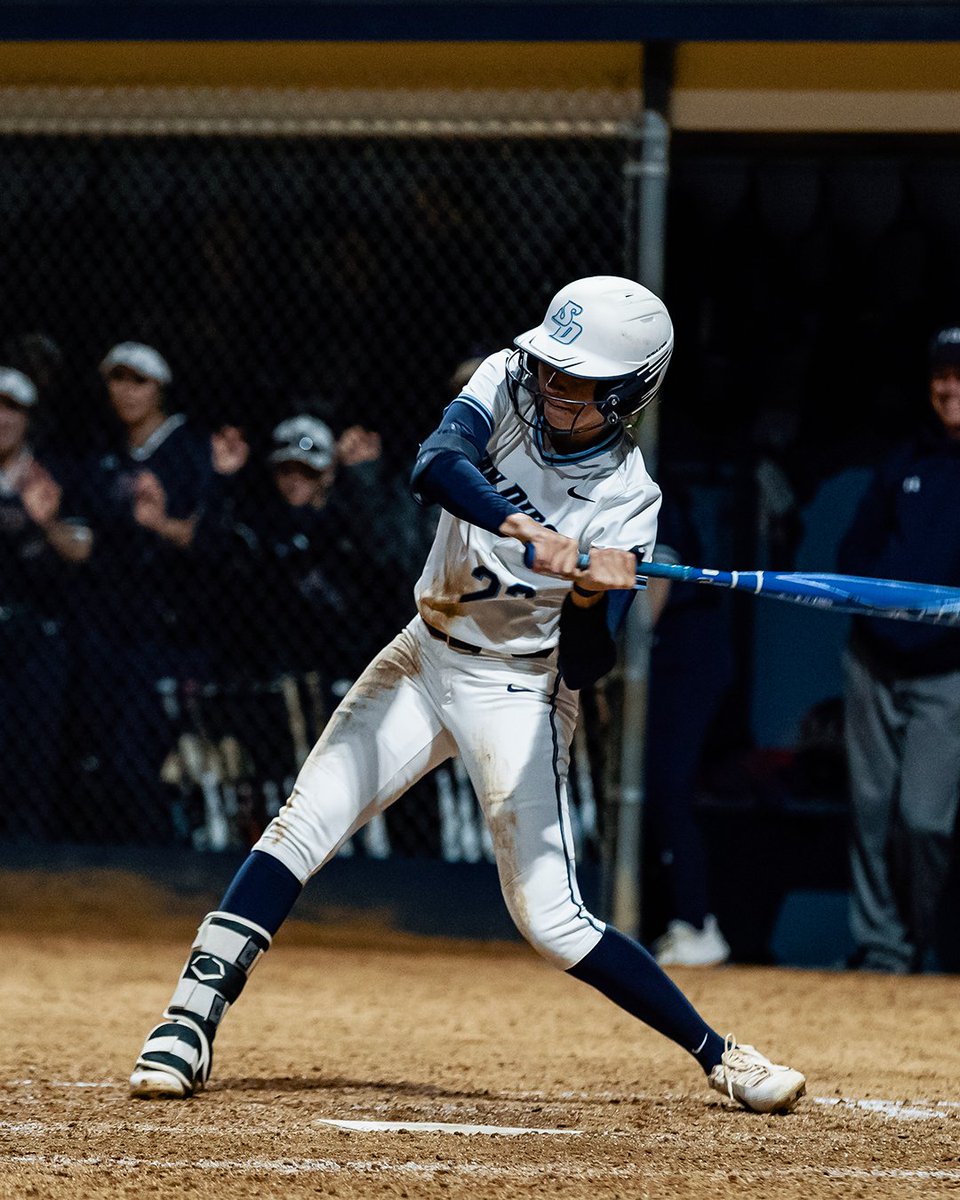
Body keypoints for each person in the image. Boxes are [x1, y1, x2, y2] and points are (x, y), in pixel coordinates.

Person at [129, 276, 805, 1114]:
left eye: (577, 381)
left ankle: (721, 1055)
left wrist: (592, 590)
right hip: (424, 656)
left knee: (550, 920)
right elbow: (437, 465)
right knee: (302, 823)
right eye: (553, 368)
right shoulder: (508, 384)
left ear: (627, 394)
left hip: (519, 692)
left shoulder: (629, 504)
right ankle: (187, 1020)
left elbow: (586, 666)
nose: (553, 386)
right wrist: (526, 528)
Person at [838, 325, 960, 973]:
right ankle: (882, 948)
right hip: (875, 660)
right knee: (869, 809)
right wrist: (879, 618)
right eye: (942, 375)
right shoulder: (903, 461)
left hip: (948, 670)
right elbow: (853, 554)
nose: (950, 388)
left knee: (925, 820)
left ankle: (920, 939)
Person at [68, 341, 215, 841]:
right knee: (106, 756)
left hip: (174, 632)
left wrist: (161, 525)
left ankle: (167, 857)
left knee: (142, 757)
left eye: (139, 381)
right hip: (111, 629)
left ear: (161, 388)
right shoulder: (105, 456)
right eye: (117, 379)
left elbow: (211, 540)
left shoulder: (190, 451)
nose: (127, 391)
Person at [0, 366, 91, 839]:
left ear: (29, 418)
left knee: (31, 761)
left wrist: (48, 523)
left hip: (37, 635)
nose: (1, 418)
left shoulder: (55, 475)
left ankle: (28, 864)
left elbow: (81, 550)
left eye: (12, 408)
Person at [646, 485, 734, 967]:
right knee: (656, 790)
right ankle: (678, 919)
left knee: (668, 785)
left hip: (686, 659)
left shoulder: (649, 496)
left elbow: (654, 590)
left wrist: (615, 662)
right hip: (668, 661)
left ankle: (696, 923)